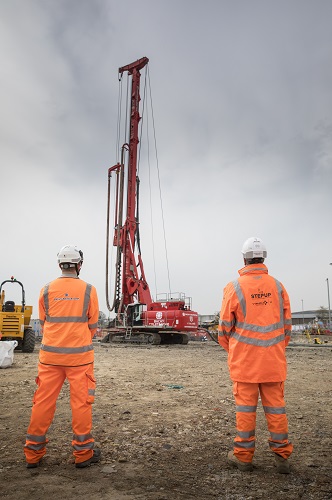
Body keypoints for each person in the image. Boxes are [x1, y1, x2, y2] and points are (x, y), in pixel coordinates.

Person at [218, 237, 293, 473]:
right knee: (276, 409)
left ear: (244, 258)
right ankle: (282, 457)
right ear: (264, 258)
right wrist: (275, 350)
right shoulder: (278, 287)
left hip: (245, 364)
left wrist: (236, 351)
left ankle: (243, 457)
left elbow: (223, 330)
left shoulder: (234, 287)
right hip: (273, 362)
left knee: (245, 411)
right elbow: (287, 328)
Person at [24, 245, 100, 469]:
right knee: (81, 404)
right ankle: (83, 454)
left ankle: (32, 455)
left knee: (42, 403)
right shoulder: (88, 290)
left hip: (50, 358)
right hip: (80, 360)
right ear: (79, 265)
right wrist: (78, 339)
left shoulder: (46, 289)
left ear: (60, 265)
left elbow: (45, 321)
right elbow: (93, 325)